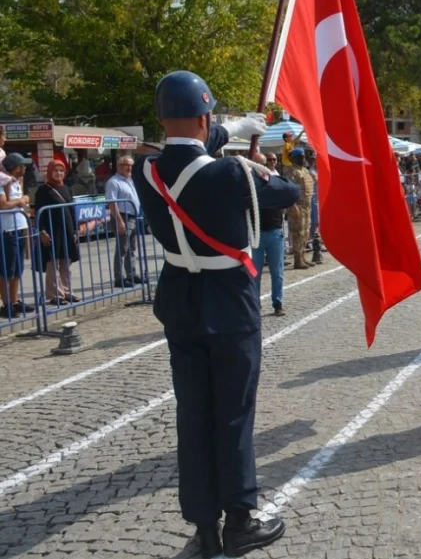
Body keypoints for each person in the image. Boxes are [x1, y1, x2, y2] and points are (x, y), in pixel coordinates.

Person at [133, 71, 299, 558]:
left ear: (162, 118)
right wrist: (261, 160)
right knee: (233, 414)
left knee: (194, 415)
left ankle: (204, 526)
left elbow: (189, 145)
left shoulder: (147, 171)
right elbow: (287, 193)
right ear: (206, 117)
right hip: (228, 300)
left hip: (181, 299)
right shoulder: (234, 174)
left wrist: (237, 126)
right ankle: (241, 520)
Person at [34, 160, 82, 305]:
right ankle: (55, 295)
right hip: (52, 231)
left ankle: (68, 292)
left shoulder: (67, 189)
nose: (59, 173)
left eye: (61, 170)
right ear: (50, 172)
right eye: (56, 170)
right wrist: (42, 231)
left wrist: (75, 229)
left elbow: (72, 210)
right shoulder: (43, 190)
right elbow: (39, 211)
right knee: (53, 263)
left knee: (65, 263)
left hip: (66, 230)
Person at [251, 152, 288, 317]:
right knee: (255, 274)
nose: (264, 165)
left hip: (274, 232)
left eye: (266, 162)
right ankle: (254, 306)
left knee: (277, 272)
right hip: (256, 235)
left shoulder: (274, 181)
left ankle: (277, 303)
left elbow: (288, 197)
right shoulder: (248, 183)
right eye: (259, 163)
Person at [0, 153, 32, 316]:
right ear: (15, 167)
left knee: (18, 269)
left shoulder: (17, 182)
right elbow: (3, 204)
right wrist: (19, 201)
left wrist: (24, 198)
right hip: (7, 229)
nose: (24, 168)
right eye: (22, 165)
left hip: (19, 226)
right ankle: (6, 304)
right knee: (7, 269)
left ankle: (14, 300)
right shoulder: (3, 182)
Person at [105, 155, 143, 288]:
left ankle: (131, 274)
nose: (129, 168)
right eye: (127, 165)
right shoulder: (114, 182)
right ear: (119, 166)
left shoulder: (130, 180)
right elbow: (112, 203)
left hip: (133, 216)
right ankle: (119, 278)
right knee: (122, 248)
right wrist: (119, 221)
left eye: (131, 165)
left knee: (132, 248)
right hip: (122, 216)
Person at [285, 148, 314, 269]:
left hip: (307, 205)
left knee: (306, 231)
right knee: (298, 232)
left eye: (303, 156)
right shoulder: (291, 171)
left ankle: (302, 256)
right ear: (293, 158)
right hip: (297, 206)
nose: (302, 159)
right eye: (299, 157)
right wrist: (292, 206)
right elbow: (288, 190)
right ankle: (297, 259)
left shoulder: (305, 171)